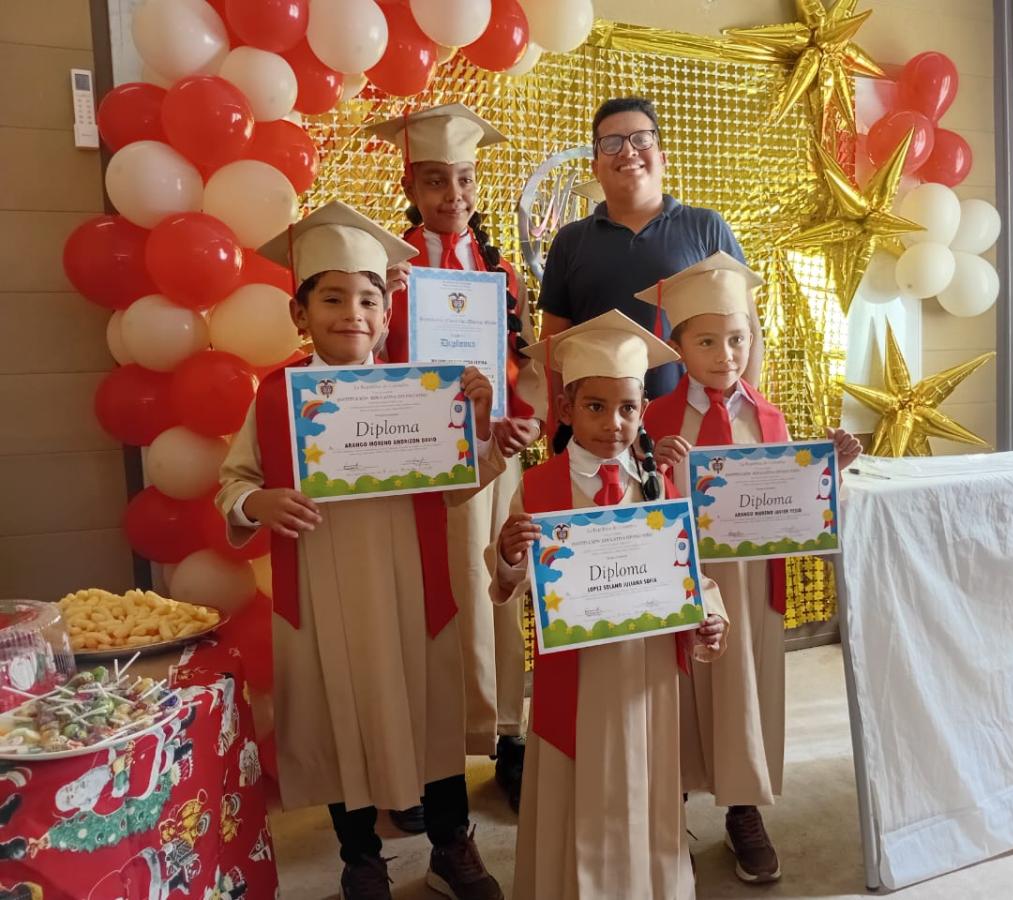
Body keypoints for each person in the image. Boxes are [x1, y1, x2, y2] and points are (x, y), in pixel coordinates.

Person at [216, 201, 506, 900]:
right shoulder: (277, 394)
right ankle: (361, 857)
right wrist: (260, 503)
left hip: (414, 583)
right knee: (340, 718)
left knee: (430, 714)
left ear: (386, 312)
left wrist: (481, 425)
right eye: (333, 297)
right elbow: (236, 481)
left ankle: (450, 845)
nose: (353, 311)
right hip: (325, 589)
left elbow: (455, 491)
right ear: (300, 314)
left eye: (368, 298)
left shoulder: (423, 390)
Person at [636, 252, 862, 884]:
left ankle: (742, 810)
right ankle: (667, 809)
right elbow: (628, 505)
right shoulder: (653, 420)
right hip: (682, 580)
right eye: (707, 341)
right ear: (679, 346)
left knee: (747, 692)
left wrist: (827, 470)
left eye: (738, 339)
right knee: (677, 692)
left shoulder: (769, 419)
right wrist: (653, 467)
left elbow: (792, 505)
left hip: (754, 583)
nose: (726, 354)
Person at [489, 309, 729, 899]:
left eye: (628, 408)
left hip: (645, 672)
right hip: (577, 675)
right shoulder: (540, 485)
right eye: (595, 407)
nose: (614, 424)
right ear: (566, 410)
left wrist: (710, 613)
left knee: (645, 786)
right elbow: (508, 581)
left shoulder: (657, 482)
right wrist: (511, 555)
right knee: (580, 786)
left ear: (643, 410)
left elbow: (688, 567)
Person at [368, 103, 545, 814]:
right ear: (411, 184)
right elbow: (370, 367)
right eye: (437, 180)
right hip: (423, 466)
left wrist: (524, 423)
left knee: (499, 591)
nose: (454, 196)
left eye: (465, 179)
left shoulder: (501, 272)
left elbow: (526, 364)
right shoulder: (389, 268)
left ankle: (507, 737)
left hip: (497, 458)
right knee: (430, 605)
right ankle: (422, 754)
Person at [537, 96, 763, 405]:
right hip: (599, 432)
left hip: (691, 427)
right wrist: (554, 424)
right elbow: (552, 349)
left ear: (662, 156)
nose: (628, 151)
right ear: (595, 166)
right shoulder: (570, 240)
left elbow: (748, 327)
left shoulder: (706, 226)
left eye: (641, 139)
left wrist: (743, 413)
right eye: (612, 143)